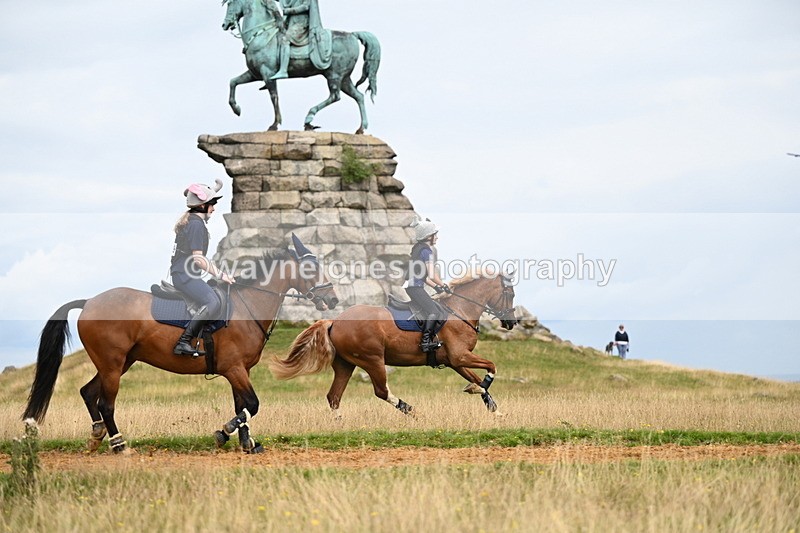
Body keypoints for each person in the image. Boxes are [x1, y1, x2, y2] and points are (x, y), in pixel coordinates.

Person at [171, 179, 235, 356]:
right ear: (201, 206)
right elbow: (198, 260)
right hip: (185, 276)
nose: (213, 209)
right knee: (212, 302)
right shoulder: (196, 225)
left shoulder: (192, 221)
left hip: (185, 274)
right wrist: (221, 275)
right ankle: (183, 342)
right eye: (212, 204)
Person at [404, 217, 448, 355]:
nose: (437, 237)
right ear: (428, 236)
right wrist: (443, 284)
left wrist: (436, 287)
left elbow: (422, 276)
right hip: (415, 288)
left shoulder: (418, 248)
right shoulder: (426, 251)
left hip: (413, 286)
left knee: (438, 311)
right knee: (434, 312)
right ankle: (426, 342)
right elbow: (432, 275)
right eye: (435, 234)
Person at [270, 0, 331, 79]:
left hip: (302, 24)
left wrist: (290, 11)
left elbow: (305, 6)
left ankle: (283, 70)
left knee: (285, 39)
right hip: (291, 23)